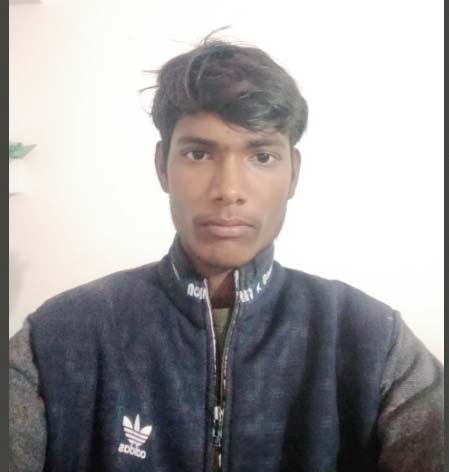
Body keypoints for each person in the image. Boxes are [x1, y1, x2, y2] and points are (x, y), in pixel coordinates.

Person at [9, 35, 443, 472]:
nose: (229, 190)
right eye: (198, 154)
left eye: (262, 156)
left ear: (293, 174)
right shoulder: (59, 336)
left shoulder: (371, 338)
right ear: (162, 166)